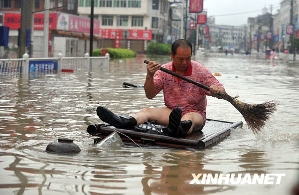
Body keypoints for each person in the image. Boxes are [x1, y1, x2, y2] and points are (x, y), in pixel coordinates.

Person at [92, 39, 226, 138]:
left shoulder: (200, 70)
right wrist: (149, 75)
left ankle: (177, 129)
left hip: (195, 113)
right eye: (180, 59)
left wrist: (217, 91)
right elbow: (150, 95)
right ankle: (125, 121)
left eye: (188, 59)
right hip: (171, 112)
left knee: (189, 118)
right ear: (172, 55)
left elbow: (221, 91)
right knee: (146, 111)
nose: (184, 63)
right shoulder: (164, 70)